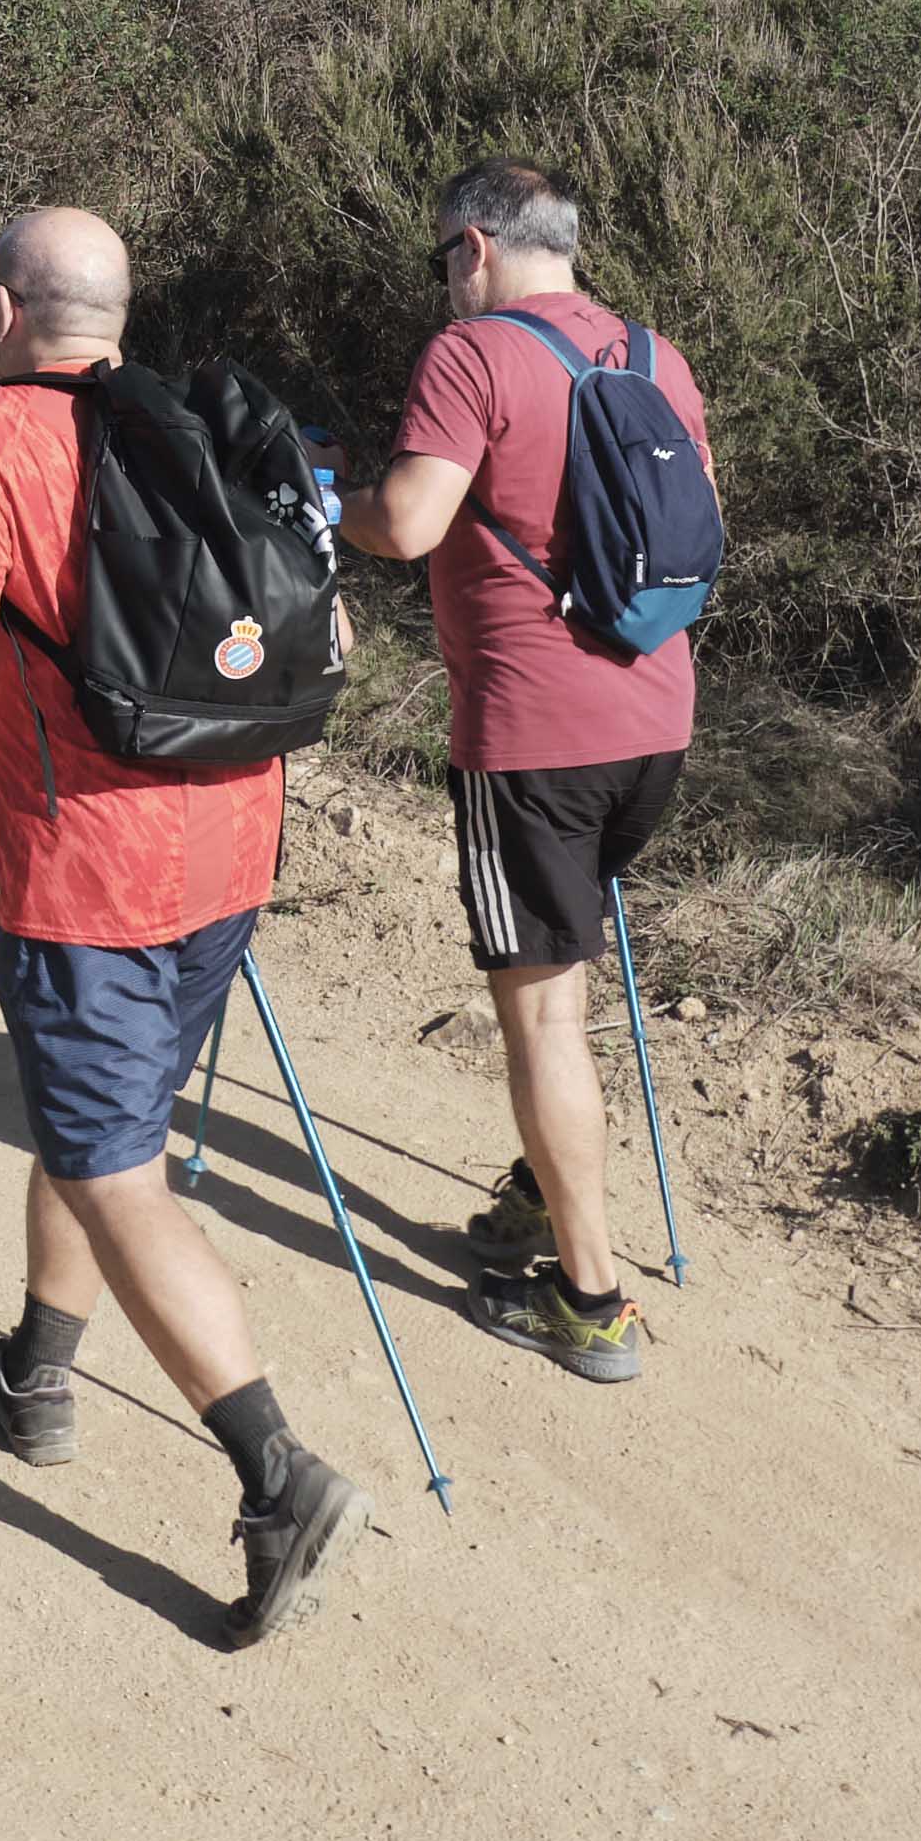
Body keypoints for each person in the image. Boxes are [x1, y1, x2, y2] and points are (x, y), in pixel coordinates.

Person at [0, 203, 367, 1644]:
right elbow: (333, 631)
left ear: (4, 309)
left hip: (88, 877)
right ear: (117, 312)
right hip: (231, 849)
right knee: (97, 1125)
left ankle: (277, 1473)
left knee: (116, 1165)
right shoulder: (200, 425)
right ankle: (35, 1371)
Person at [340, 160, 701, 1387]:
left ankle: (589, 1300)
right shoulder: (653, 355)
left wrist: (320, 501)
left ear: (478, 244)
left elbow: (408, 522)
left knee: (543, 1009)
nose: (444, 278)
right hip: (655, 721)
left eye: (443, 255)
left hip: (532, 736)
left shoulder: (474, 352)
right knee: (566, 979)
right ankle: (547, 1182)